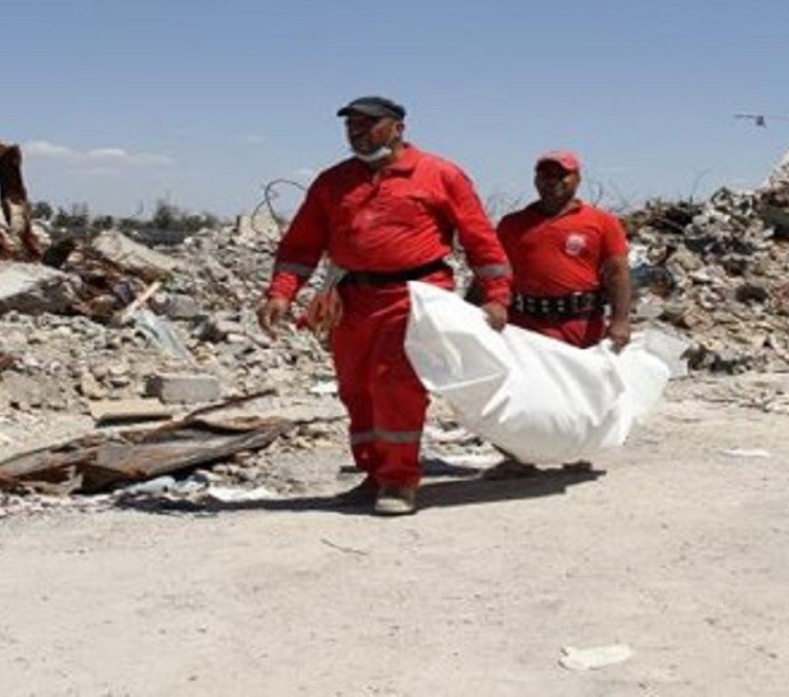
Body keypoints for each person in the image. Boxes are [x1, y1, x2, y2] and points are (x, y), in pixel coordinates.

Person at [258, 95, 511, 516]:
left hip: (414, 297)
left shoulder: (440, 175)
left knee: (395, 386)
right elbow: (301, 245)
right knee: (356, 388)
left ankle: (399, 480)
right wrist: (282, 291)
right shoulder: (332, 182)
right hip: (349, 300)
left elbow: (480, 240)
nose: (356, 132)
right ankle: (373, 473)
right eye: (351, 125)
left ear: (397, 128)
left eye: (368, 124)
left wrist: (498, 296)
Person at [484, 150, 633, 479]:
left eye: (561, 175)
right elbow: (494, 272)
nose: (552, 183)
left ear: (577, 179)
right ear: (535, 180)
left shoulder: (601, 222)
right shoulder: (513, 224)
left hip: (579, 324)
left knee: (577, 392)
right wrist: (473, 311)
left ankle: (575, 454)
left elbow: (618, 272)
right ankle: (518, 457)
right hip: (525, 325)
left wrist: (620, 321)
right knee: (518, 393)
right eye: (545, 176)